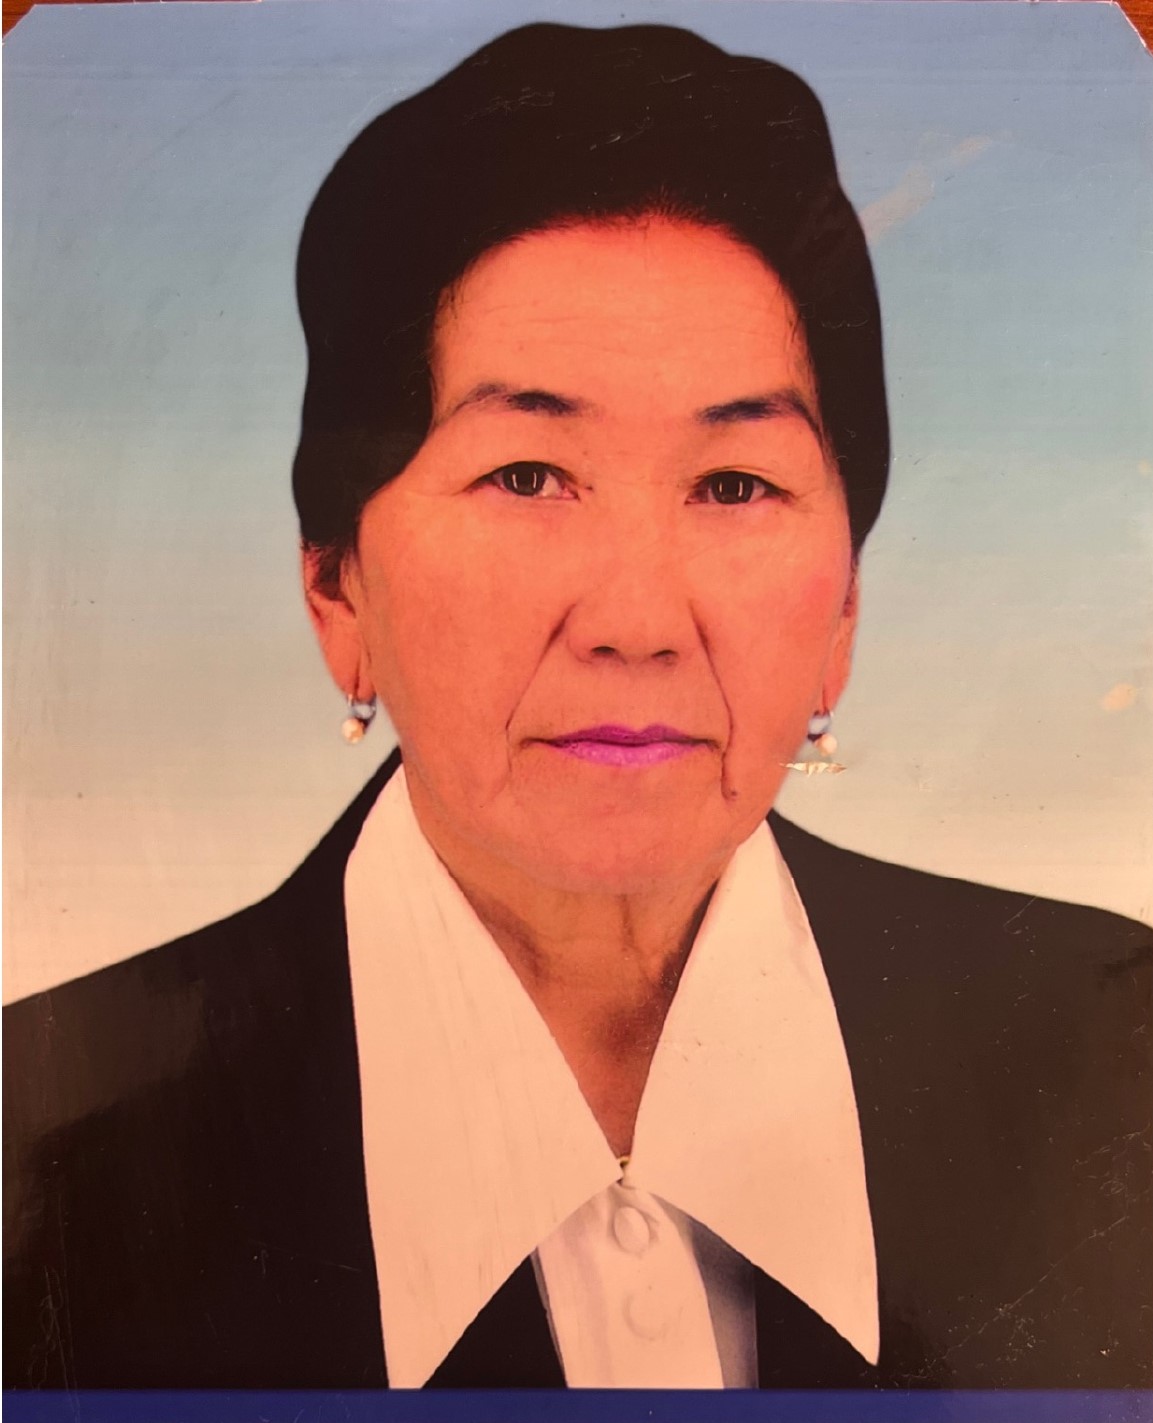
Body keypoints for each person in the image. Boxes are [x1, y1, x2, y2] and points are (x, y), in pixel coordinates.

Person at [4, 21, 1150, 1392]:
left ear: (843, 608)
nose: (636, 621)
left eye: (735, 485)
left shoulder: (1116, 1056)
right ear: (337, 586)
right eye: (528, 476)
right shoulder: (49, 1143)